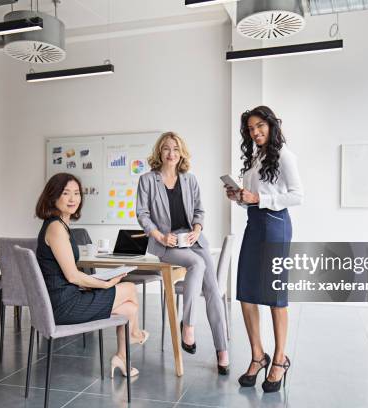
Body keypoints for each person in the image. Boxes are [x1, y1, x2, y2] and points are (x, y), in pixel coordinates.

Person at [35, 172, 148, 378]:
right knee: (130, 288)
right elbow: (72, 276)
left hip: (64, 298)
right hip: (64, 306)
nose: (73, 199)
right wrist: (104, 285)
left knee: (129, 309)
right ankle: (135, 334)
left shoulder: (60, 225)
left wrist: (96, 282)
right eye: (66, 193)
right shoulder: (55, 228)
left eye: (77, 193)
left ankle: (122, 357)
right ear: (53, 196)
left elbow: (67, 275)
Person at [136, 131, 229, 374]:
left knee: (213, 291)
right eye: (166, 148)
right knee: (197, 265)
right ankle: (188, 325)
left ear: (181, 153)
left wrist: (197, 230)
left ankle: (222, 350)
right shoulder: (147, 180)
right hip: (167, 244)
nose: (171, 153)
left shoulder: (190, 179)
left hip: (194, 240)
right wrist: (159, 236)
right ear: (159, 152)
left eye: (176, 149)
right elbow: (142, 214)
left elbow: (199, 211)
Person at [225, 106, 303, 392]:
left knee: (275, 295)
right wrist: (239, 197)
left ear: (271, 125)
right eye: (250, 128)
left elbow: (298, 195)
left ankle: (280, 359)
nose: (255, 132)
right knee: (245, 292)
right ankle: (258, 355)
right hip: (254, 225)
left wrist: (260, 197)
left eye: (260, 126)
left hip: (276, 226)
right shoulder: (254, 158)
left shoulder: (284, 155)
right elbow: (252, 200)